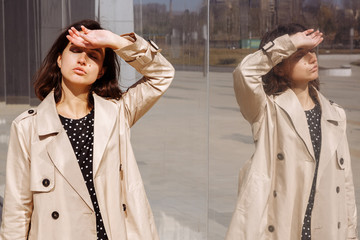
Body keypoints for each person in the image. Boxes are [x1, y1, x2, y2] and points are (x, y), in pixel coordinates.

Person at [0, 19, 174, 240]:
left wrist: (114, 41)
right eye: (75, 51)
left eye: (93, 56)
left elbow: (162, 75)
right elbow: (17, 210)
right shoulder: (27, 127)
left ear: (101, 71)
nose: (83, 59)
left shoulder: (117, 113)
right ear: (60, 60)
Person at [226, 23, 358, 240]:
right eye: (300, 54)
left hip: (327, 230)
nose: (312, 58)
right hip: (282, 228)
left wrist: (351, 234)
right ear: (278, 66)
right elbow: (244, 73)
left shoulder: (335, 115)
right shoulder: (267, 111)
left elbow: (345, 186)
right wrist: (289, 43)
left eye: (312, 52)